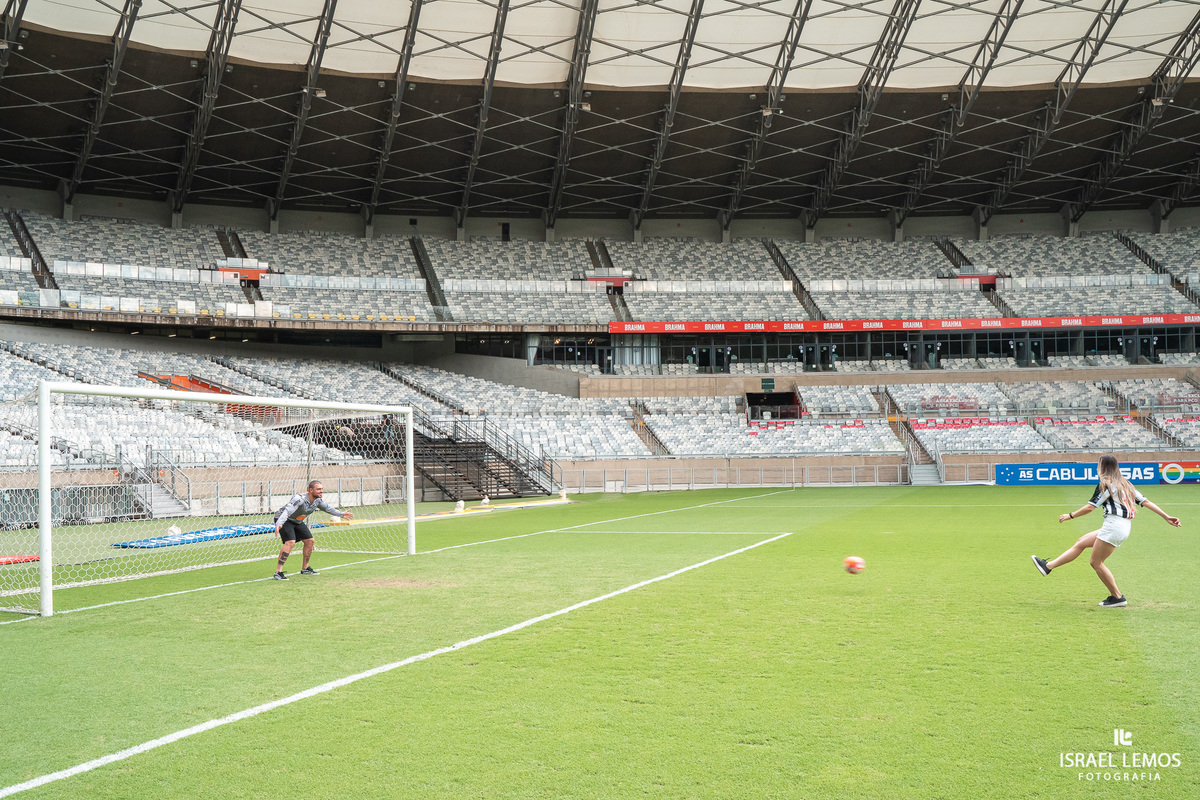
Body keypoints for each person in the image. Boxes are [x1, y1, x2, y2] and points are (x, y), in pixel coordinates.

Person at [1031, 455, 1180, 607]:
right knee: (1082, 542)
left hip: (1114, 525)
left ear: (1103, 468)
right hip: (1121, 525)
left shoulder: (1106, 484)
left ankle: (1117, 597)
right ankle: (1048, 567)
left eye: (1099, 465)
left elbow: (1090, 507)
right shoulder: (1126, 484)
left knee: (1096, 563)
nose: (1097, 467)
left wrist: (1070, 515)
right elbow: (1146, 502)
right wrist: (1166, 517)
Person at [271, 480, 353, 580]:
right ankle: (278, 572)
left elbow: (327, 508)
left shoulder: (317, 500)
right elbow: (287, 511)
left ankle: (305, 568)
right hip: (284, 519)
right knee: (290, 542)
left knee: (310, 541)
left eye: (322, 489)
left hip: (297, 521)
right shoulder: (299, 499)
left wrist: (341, 514)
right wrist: (280, 523)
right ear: (310, 490)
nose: (321, 491)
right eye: (318, 489)